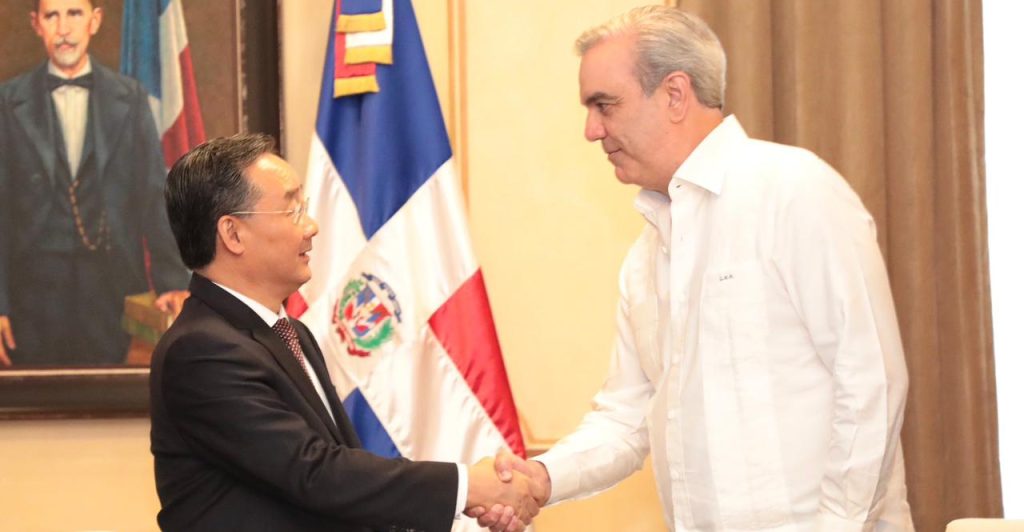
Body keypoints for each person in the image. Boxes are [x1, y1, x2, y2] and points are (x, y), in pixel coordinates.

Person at [474, 6, 914, 532]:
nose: (591, 130)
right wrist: (543, 478)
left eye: (605, 105)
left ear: (675, 94)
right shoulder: (645, 257)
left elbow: (871, 382)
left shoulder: (794, 192)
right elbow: (626, 418)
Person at [151, 134, 541, 531]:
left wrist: (466, 501)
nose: (312, 226)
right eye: (292, 209)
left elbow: (339, 486)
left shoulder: (290, 334)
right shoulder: (200, 350)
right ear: (233, 234)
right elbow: (314, 472)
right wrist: (467, 487)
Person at [0, 0, 189, 367]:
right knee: (40, 397)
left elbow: (153, 195)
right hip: (32, 297)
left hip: (111, 290)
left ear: (95, 20)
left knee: (109, 391)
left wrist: (171, 281)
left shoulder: (130, 98)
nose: (64, 29)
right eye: (52, 16)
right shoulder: (8, 102)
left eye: (75, 14)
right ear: (36, 24)